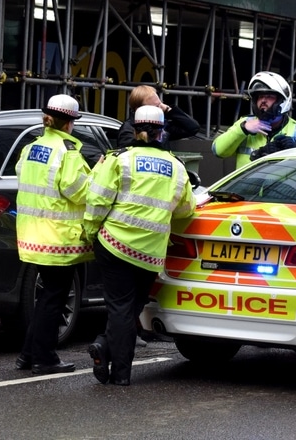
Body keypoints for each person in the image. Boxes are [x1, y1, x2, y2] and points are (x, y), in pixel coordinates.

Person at [85, 105, 196, 386]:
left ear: (134, 130)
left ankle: (118, 371)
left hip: (114, 244)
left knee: (120, 308)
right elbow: (185, 210)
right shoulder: (176, 166)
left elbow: (97, 200)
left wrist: (90, 233)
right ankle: (108, 354)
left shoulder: (118, 160)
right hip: (150, 254)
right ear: (162, 133)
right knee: (131, 308)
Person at [14, 94, 93, 375]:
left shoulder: (32, 147)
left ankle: (28, 355)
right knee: (53, 298)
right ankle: (44, 358)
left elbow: (23, 176)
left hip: (33, 235)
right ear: (69, 123)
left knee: (48, 295)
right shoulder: (68, 151)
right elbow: (78, 190)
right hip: (58, 237)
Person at [211, 71, 296, 168]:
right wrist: (243, 129)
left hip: (283, 190)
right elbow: (218, 151)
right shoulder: (244, 123)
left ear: (282, 100)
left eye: (269, 96)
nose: (263, 100)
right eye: (260, 96)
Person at [116, 85, 200, 149]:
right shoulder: (128, 129)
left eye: (160, 104)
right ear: (139, 109)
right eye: (155, 107)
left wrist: (168, 110)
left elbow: (193, 128)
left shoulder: (160, 125)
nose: (160, 110)